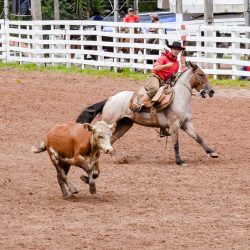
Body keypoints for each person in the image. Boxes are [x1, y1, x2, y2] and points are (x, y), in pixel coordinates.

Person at [131, 41, 185, 111]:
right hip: (155, 77)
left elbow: (173, 76)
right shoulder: (163, 58)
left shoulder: (177, 64)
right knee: (154, 89)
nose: (176, 51)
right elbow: (155, 68)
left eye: (178, 49)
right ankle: (139, 102)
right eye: (174, 49)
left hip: (163, 82)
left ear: (180, 51)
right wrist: (166, 66)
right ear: (171, 49)